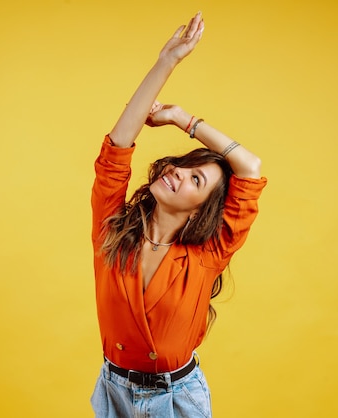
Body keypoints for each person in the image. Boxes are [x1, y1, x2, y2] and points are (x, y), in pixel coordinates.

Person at [90, 11, 267, 417]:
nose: (177, 172)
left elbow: (250, 167)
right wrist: (166, 61)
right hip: (114, 392)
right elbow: (115, 151)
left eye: (196, 180)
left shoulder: (209, 252)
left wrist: (182, 119)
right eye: (182, 165)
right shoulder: (111, 228)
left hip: (178, 398)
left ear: (200, 212)